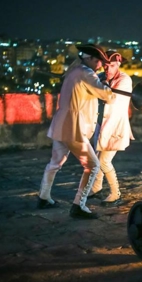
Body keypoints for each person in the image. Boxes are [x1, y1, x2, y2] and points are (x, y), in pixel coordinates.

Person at [37, 44, 115, 219]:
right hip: (74, 126)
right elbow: (107, 95)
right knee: (93, 166)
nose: (100, 65)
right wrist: (106, 84)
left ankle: (43, 196)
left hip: (61, 123)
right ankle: (78, 205)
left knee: (55, 163)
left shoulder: (74, 70)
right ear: (89, 59)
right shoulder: (86, 73)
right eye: (98, 61)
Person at [88, 50, 134, 206]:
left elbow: (112, 100)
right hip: (101, 125)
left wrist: (102, 84)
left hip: (115, 127)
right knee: (97, 157)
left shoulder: (124, 80)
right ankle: (96, 188)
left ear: (118, 65)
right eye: (105, 66)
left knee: (104, 161)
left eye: (112, 66)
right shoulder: (102, 78)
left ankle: (116, 193)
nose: (108, 69)